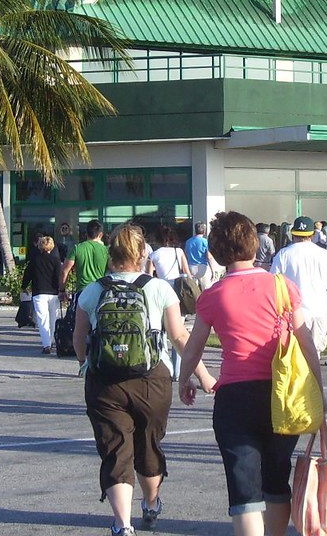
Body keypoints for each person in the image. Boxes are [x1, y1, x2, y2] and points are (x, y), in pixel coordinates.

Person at [178, 211, 327, 536]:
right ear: (254, 244)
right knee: (276, 480)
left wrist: (184, 379)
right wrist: (318, 391)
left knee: (244, 490)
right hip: (283, 394)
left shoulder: (213, 295)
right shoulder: (282, 286)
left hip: (235, 398)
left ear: (215, 252)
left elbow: (193, 347)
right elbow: (306, 344)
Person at [73, 223, 215, 536]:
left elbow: (79, 338)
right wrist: (201, 375)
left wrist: (86, 364)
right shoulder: (159, 288)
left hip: (104, 382)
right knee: (148, 447)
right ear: (142, 255)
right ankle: (151, 503)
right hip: (152, 380)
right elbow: (179, 336)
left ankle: (123, 525)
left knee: (115, 449)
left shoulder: (92, 291)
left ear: (111, 256)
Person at [270, 216, 327, 360]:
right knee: (314, 355)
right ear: (312, 234)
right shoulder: (324, 254)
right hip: (319, 311)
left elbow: (274, 284)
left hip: (293, 312)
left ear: (293, 234)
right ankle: (314, 382)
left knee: (294, 355)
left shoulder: (283, 255)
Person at [148, 225, 193, 378]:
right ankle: (177, 371)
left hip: (160, 292)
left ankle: (162, 365)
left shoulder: (154, 255)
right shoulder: (178, 252)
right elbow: (187, 273)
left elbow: (148, 277)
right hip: (177, 295)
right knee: (178, 332)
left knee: (160, 332)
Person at [22, 234, 65, 354]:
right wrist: (62, 290)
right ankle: (52, 340)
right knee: (53, 319)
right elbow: (59, 277)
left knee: (42, 319)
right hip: (54, 293)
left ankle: (46, 345)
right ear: (51, 246)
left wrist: (23, 287)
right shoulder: (56, 260)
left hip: (39, 292)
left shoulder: (35, 260)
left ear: (40, 246)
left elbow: (27, 275)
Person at [62, 219, 109, 294]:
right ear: (100, 235)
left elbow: (64, 271)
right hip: (99, 291)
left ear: (86, 233)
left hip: (82, 291)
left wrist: (62, 290)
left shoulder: (77, 248)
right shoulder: (106, 250)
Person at [185, 222, 218, 289]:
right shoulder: (205, 242)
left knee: (194, 291)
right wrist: (213, 271)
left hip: (191, 267)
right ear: (204, 231)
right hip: (202, 267)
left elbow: (186, 255)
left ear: (195, 230)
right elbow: (209, 257)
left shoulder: (188, 241)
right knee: (206, 289)